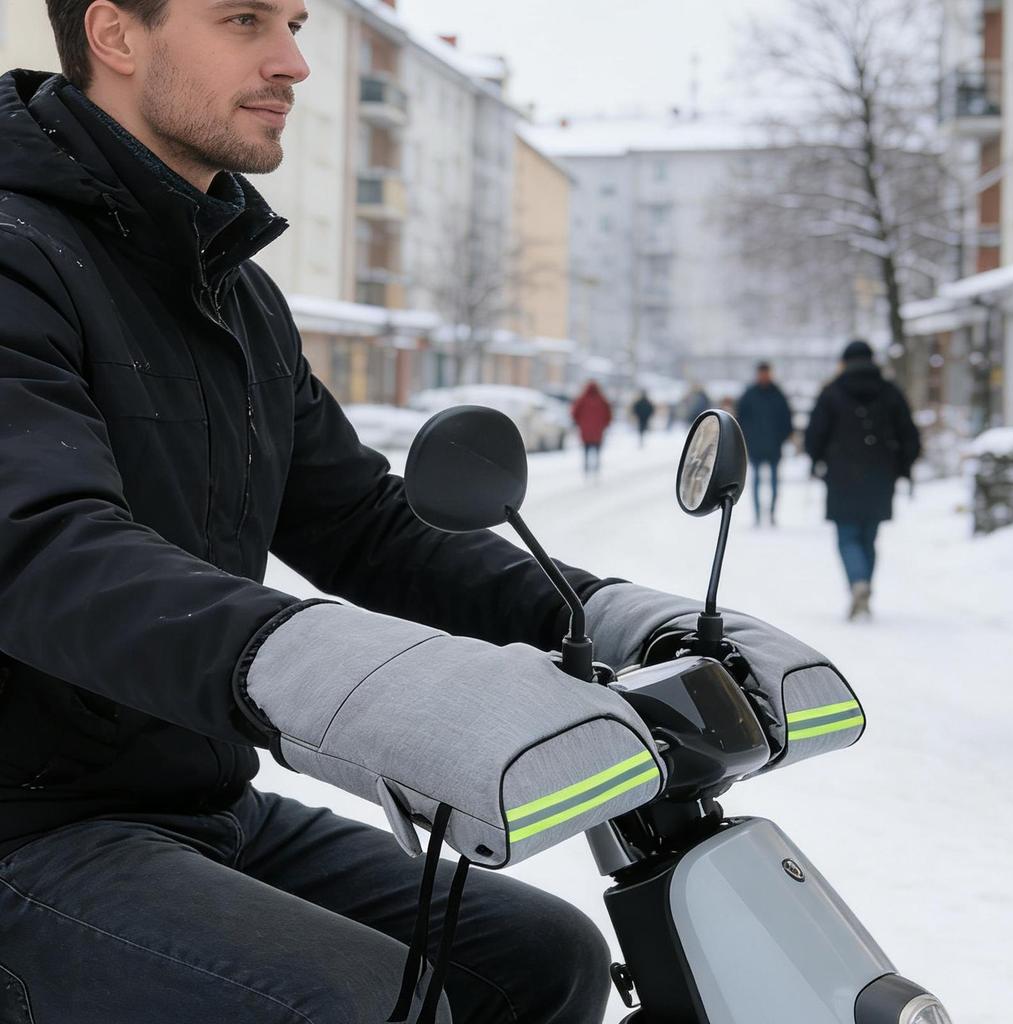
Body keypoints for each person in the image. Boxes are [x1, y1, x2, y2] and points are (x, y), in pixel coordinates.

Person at [0, 5, 848, 1022]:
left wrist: (611, 616)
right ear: (116, 35)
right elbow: (42, 548)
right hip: (29, 823)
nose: (294, 62)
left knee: (548, 959)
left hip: (194, 799)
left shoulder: (235, 298)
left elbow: (367, 526)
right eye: (243, 20)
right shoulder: (18, 254)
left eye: (296, 22)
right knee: (366, 1003)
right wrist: (350, 675)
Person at [804, 340, 921, 620]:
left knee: (846, 536)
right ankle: (865, 584)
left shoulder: (832, 393)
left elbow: (814, 433)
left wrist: (818, 459)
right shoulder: (890, 392)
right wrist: (902, 466)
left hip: (842, 474)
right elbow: (909, 435)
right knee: (869, 537)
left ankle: (857, 582)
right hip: (881, 474)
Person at [737, 361, 793, 526]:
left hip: (774, 446)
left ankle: (772, 513)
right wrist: (747, 438)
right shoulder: (749, 394)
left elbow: (786, 419)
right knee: (755, 482)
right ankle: (757, 515)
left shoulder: (778, 394)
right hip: (755, 446)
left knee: (775, 483)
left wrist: (781, 438)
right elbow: (741, 419)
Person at [571, 379, 613, 475]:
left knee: (586, 449)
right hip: (598, 431)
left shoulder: (582, 399)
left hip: (585, 430)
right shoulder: (602, 400)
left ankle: (586, 466)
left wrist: (579, 423)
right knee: (597, 449)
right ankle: (596, 466)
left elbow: (574, 412)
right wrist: (605, 424)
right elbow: (608, 414)